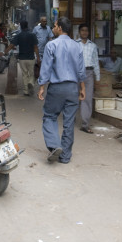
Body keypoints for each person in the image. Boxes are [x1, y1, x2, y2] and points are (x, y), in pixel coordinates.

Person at [37, 17, 85, 164]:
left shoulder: (51, 45)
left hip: (57, 88)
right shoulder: (77, 46)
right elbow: (81, 70)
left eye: (55, 25)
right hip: (72, 88)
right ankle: (65, 157)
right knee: (69, 122)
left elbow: (46, 69)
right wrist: (82, 88)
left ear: (59, 28)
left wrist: (42, 87)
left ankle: (54, 145)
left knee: (50, 116)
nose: (53, 27)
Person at [77, 24, 100, 133]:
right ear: (79, 32)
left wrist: (98, 78)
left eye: (86, 30)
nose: (84, 32)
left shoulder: (93, 46)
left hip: (89, 73)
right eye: (82, 30)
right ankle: (70, 120)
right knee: (73, 97)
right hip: (76, 73)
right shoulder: (74, 45)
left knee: (87, 98)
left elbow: (96, 62)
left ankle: (85, 125)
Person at [11, 20, 38, 97]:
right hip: (31, 58)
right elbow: (36, 47)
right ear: (27, 25)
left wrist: (5, 51)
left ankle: (26, 91)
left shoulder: (18, 35)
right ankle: (31, 83)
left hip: (22, 58)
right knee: (31, 73)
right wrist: (38, 58)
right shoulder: (32, 35)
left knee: (24, 74)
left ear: (21, 27)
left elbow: (12, 45)